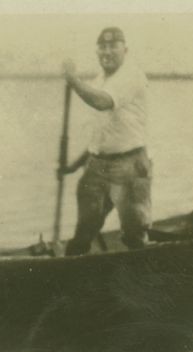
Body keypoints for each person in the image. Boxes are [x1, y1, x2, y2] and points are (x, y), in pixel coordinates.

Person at [59, 27, 151, 256]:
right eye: (103, 47)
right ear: (97, 50)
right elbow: (100, 136)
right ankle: (73, 273)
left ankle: (141, 277)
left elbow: (101, 102)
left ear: (125, 50)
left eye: (113, 46)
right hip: (97, 166)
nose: (107, 52)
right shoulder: (99, 79)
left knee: (134, 234)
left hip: (129, 165)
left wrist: (73, 80)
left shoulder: (132, 75)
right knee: (84, 230)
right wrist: (73, 165)